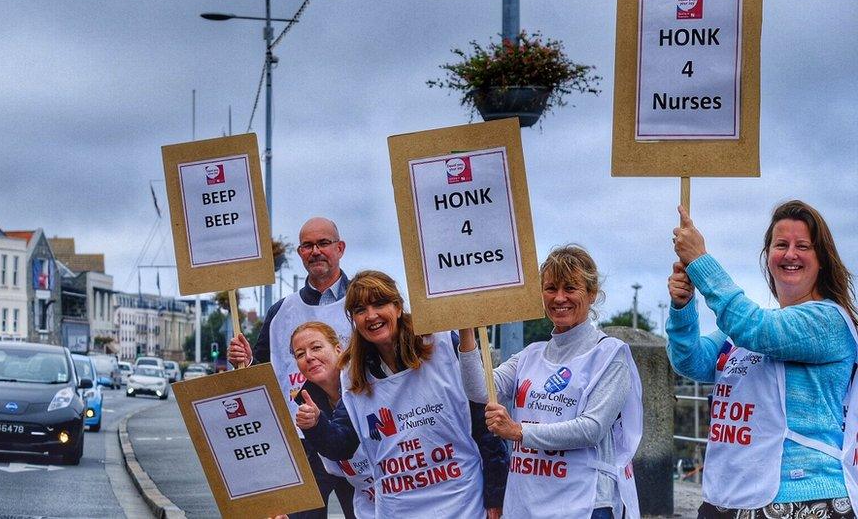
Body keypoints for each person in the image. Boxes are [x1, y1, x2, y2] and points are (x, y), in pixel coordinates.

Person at [667, 201, 858, 518]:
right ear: (768, 257)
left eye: (803, 246)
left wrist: (700, 261)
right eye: (781, 245)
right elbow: (690, 361)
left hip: (804, 500)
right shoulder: (749, 328)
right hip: (727, 496)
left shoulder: (828, 321)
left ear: (822, 259)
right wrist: (683, 306)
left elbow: (758, 330)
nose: (790, 254)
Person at [297, 270, 507, 518]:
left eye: (379, 304)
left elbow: (485, 426)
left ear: (397, 307)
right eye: (360, 310)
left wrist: (496, 495)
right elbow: (343, 444)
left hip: (460, 502)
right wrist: (315, 424)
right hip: (398, 507)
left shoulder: (441, 345)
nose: (371, 316)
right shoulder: (353, 373)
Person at [458, 244, 644, 519]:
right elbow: (479, 390)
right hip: (527, 503)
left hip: (584, 505)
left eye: (570, 288)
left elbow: (591, 429)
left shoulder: (610, 354)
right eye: (551, 288)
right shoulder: (530, 354)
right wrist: (466, 330)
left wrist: (519, 431)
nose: (559, 298)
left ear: (592, 294)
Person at [227, 217, 353, 519]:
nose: (316, 251)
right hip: (300, 446)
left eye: (323, 243)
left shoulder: (363, 301)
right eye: (308, 245)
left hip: (359, 440)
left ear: (340, 248)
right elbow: (260, 371)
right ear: (299, 253)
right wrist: (243, 362)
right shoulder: (281, 311)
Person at [289, 321, 374, 519]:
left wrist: (317, 424)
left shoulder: (365, 378)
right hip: (365, 492)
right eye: (300, 354)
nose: (309, 357)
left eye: (316, 347)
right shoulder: (307, 398)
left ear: (338, 349)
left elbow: (342, 442)